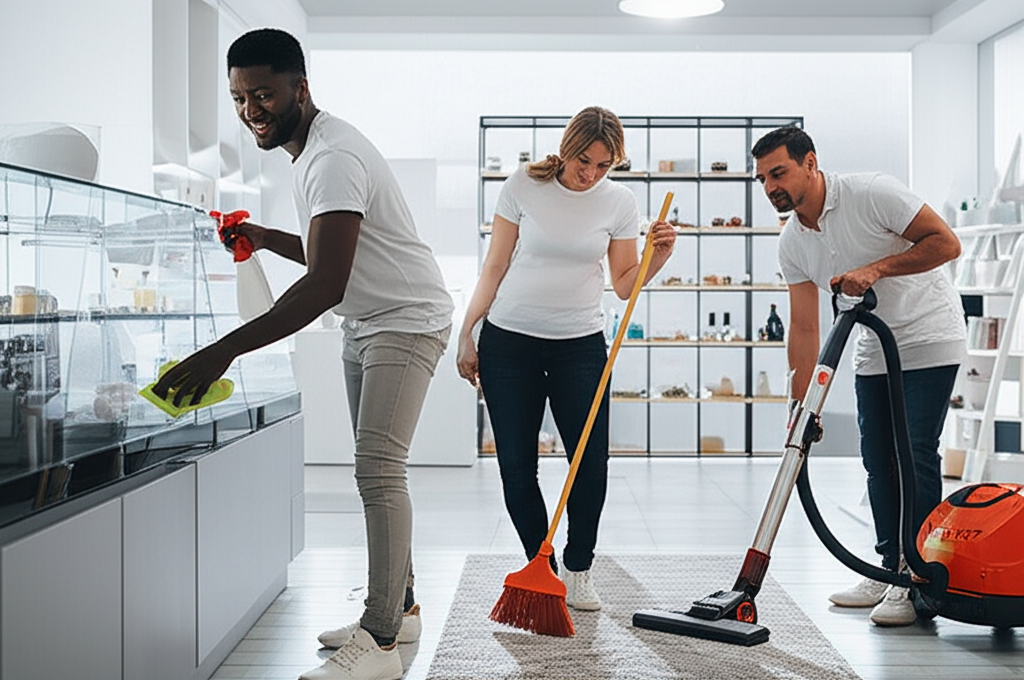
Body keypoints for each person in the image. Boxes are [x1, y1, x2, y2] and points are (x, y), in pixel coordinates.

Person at [153, 28, 453, 680]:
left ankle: (378, 642)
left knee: (378, 469)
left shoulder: (332, 156)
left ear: (300, 88)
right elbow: (329, 253)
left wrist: (222, 352)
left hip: (405, 320)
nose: (250, 110)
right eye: (238, 97)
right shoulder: (313, 151)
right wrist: (264, 237)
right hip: (367, 320)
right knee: (375, 468)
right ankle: (398, 609)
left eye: (263, 93)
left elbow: (325, 283)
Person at [457, 106, 676, 610]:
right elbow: (494, 266)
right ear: (567, 147)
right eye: (584, 161)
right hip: (509, 342)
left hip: (580, 343)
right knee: (517, 465)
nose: (591, 175)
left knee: (589, 463)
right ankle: (542, 567)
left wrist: (655, 259)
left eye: (604, 166)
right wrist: (467, 332)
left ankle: (578, 568)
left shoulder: (619, 201)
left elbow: (624, 286)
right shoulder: (522, 185)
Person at [751, 127, 964, 627]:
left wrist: (877, 269)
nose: (769, 188)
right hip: (873, 346)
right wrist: (800, 408)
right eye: (762, 179)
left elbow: (946, 243)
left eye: (778, 173)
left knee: (912, 451)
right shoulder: (792, 241)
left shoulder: (872, 193)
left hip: (929, 334)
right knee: (877, 459)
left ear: (810, 163)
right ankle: (886, 565)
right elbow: (804, 328)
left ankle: (914, 577)